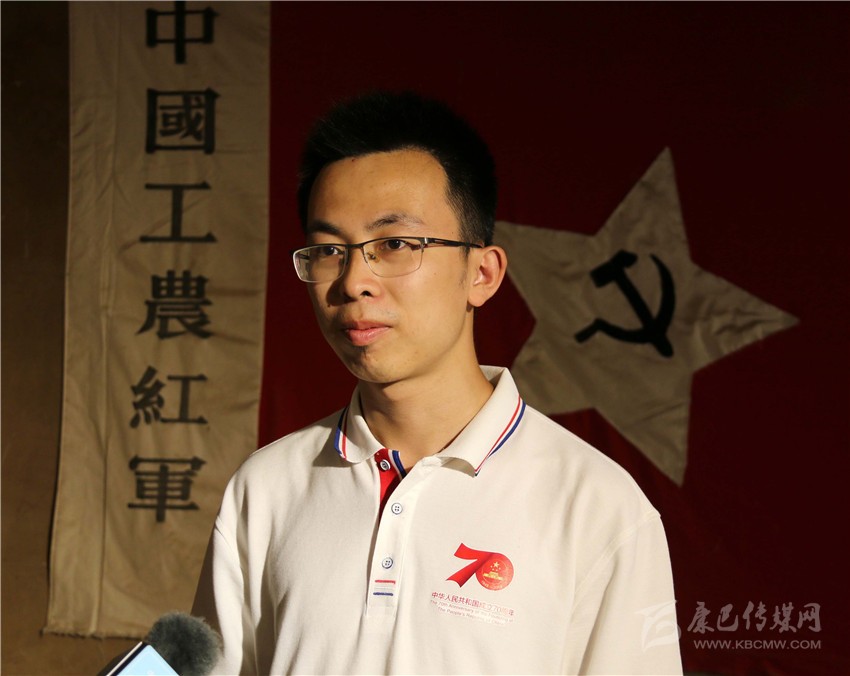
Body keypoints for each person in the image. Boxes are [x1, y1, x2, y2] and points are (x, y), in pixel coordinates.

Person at [193, 91, 683, 675]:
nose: (353, 281)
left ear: (482, 273)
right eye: (329, 250)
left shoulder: (597, 506)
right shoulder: (266, 489)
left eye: (394, 244)